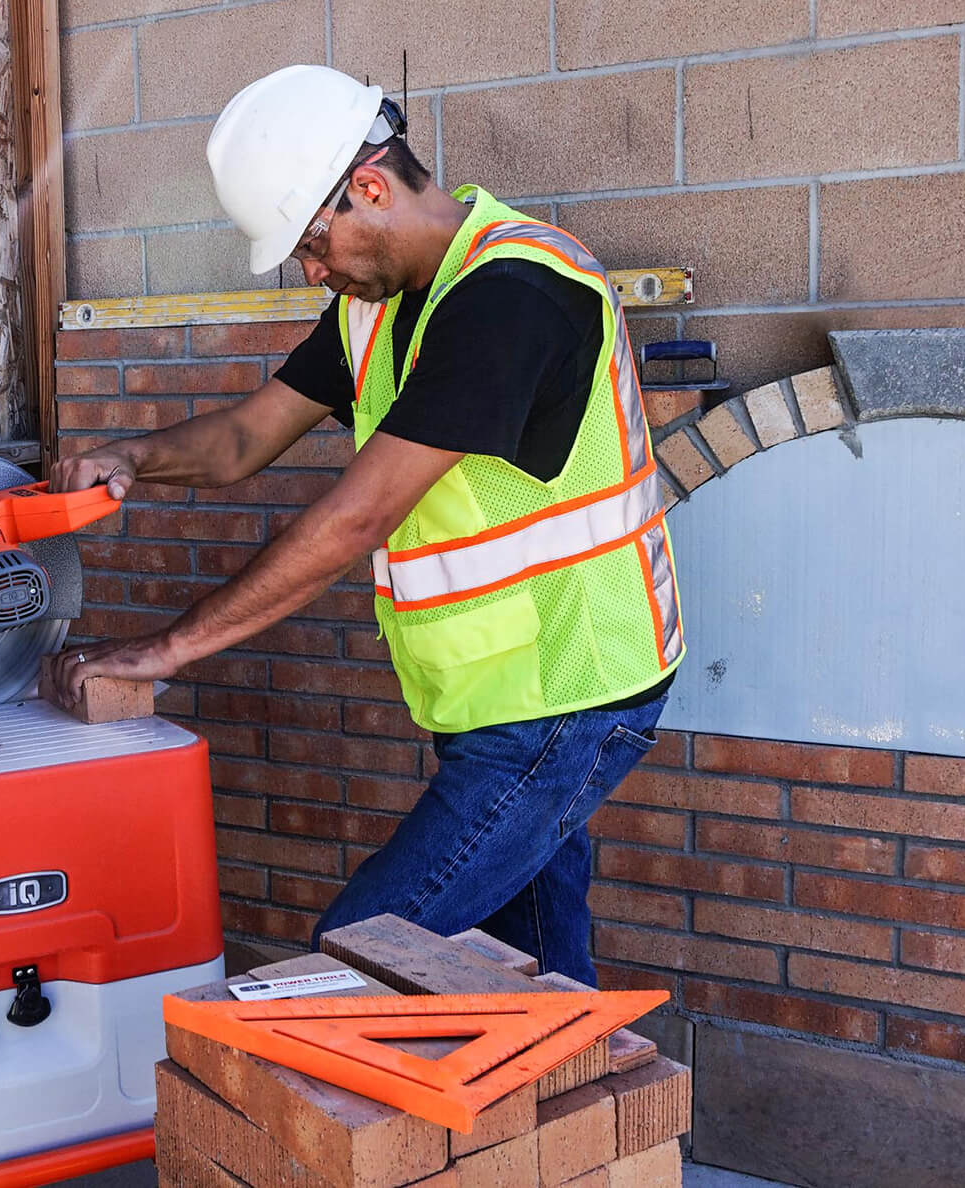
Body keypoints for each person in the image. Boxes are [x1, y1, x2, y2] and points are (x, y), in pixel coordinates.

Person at [39, 64, 683, 984]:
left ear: (369, 190)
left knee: (350, 963)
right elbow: (245, 437)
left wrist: (165, 651)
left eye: (312, 244)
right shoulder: (373, 312)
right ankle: (584, 1124)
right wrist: (135, 457)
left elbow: (357, 518)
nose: (312, 271)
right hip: (493, 698)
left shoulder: (517, 297)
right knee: (531, 978)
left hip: (570, 693)